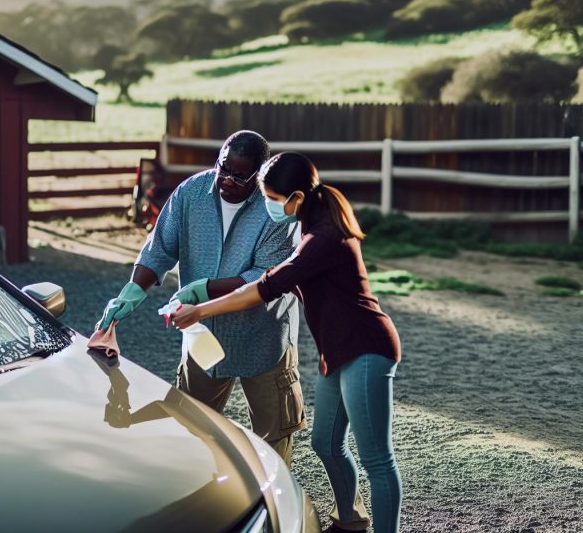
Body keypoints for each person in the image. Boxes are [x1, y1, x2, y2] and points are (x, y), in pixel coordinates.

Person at [171, 152, 403, 533]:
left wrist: (201, 309)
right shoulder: (310, 222)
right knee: (325, 443)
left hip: (366, 348)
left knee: (377, 460)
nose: (268, 206)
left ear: (296, 197)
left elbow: (262, 288)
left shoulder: (324, 237)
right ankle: (350, 523)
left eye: (272, 199)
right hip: (336, 351)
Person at [95, 130, 305, 465]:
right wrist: (130, 294)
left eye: (240, 176)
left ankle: (274, 494)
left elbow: (266, 278)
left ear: (260, 175)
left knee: (273, 437)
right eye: (224, 169)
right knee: (189, 424)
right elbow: (159, 250)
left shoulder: (276, 209)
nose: (227, 180)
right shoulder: (190, 193)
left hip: (263, 337)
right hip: (204, 336)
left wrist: (203, 290)